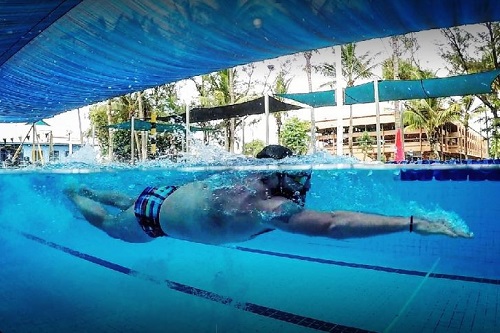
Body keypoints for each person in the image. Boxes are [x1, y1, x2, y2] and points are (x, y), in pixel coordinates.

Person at [64, 145, 473, 244]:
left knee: (131, 197)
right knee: (108, 224)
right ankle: (74, 194)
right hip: (152, 221)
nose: (305, 188)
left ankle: (89, 187)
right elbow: (333, 224)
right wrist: (413, 222)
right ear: (275, 176)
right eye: (298, 180)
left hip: (163, 194)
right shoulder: (265, 206)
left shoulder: (237, 177)